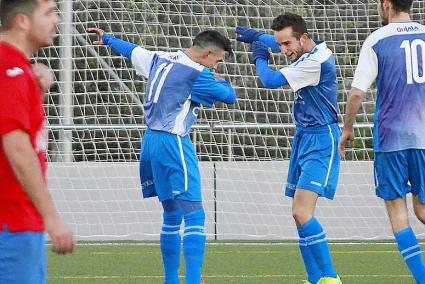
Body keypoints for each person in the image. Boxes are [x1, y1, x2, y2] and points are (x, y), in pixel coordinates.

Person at [86, 27, 236, 284]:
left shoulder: (161, 57)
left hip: (150, 143)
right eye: (217, 61)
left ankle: (170, 279)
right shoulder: (199, 73)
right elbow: (229, 96)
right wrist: (219, 80)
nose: (216, 66)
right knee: (195, 215)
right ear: (207, 53)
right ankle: (191, 280)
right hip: (174, 142)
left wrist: (108, 39)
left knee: (172, 214)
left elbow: (132, 50)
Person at [236, 13, 341, 284]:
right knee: (299, 215)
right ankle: (314, 278)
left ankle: (331, 277)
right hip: (304, 136)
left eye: (286, 45)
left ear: (304, 38)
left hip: (321, 139)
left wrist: (259, 55)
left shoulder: (315, 62)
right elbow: (283, 41)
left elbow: (269, 81)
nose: (282, 50)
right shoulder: (308, 50)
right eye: (279, 44)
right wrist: (256, 36)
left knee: (301, 212)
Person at [339, 0, 425, 283]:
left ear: (386, 4)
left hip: (391, 140)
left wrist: (348, 128)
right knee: (422, 209)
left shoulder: (377, 39)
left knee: (397, 211)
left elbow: (356, 94)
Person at [0, 0, 76, 283]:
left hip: (19, 222)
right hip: (11, 223)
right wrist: (52, 217)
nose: (56, 20)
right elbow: (17, 148)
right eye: (49, 13)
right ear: (22, 21)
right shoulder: (10, 70)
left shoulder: (19, 69)